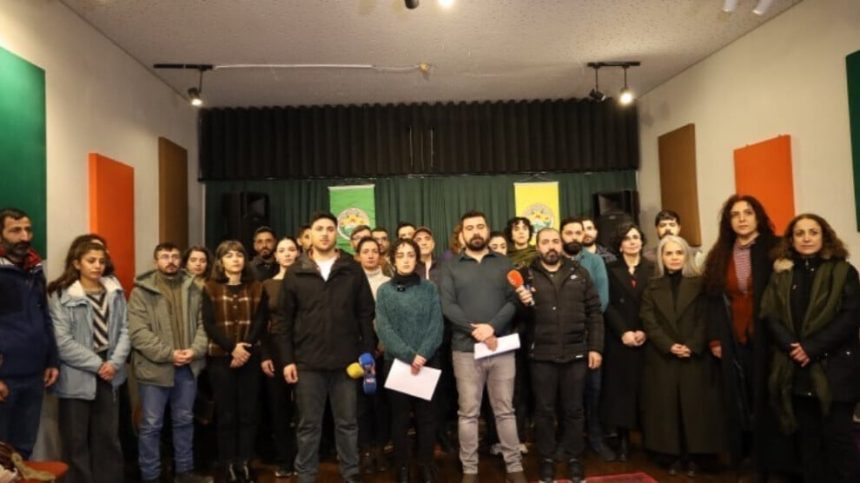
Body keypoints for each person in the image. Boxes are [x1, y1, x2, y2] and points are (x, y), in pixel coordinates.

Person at [274, 212, 375, 483]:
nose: (325, 234)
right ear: (310, 234)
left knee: (348, 423)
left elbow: (366, 313)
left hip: (347, 362)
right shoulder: (296, 271)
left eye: (330, 229)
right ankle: (306, 474)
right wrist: (287, 360)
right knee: (308, 426)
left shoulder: (352, 269)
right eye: (319, 229)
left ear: (336, 233)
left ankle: (351, 473)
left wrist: (367, 353)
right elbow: (283, 321)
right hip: (307, 363)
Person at [760, 213, 859, 482]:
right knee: (808, 442)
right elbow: (770, 315)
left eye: (813, 232)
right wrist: (793, 347)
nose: (806, 238)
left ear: (824, 236)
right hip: (797, 370)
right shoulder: (782, 274)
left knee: (839, 441)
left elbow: (850, 317)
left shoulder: (844, 271)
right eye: (799, 233)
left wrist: (811, 348)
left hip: (835, 370)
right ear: (791, 239)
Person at [700, 195, 790, 476]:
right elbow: (712, 301)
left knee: (770, 399)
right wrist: (715, 339)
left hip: (770, 338)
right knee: (741, 400)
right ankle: (748, 461)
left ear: (758, 216)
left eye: (747, 213)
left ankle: (774, 464)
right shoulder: (721, 253)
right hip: (734, 338)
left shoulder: (776, 248)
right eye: (735, 214)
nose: (741, 219)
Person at [439, 210, 526, 483]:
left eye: (480, 226)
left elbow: (514, 300)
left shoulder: (504, 262)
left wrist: (492, 327)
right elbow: (447, 305)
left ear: (487, 230)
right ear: (462, 233)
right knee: (468, 413)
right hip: (465, 350)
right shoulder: (450, 266)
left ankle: (514, 466)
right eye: (470, 228)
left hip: (501, 347)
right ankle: (470, 470)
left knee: (505, 411)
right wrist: (475, 330)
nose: (475, 231)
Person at [514, 228, 604, 483]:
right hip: (541, 355)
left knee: (574, 410)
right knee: (544, 411)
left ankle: (575, 459)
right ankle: (547, 460)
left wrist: (595, 347)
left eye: (555, 241)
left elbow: (595, 312)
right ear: (537, 246)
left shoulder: (580, 272)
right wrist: (522, 303)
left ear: (562, 244)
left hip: (576, 353)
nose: (551, 246)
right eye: (545, 242)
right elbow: (517, 318)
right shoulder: (525, 275)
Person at [639, 235, 724, 476]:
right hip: (663, 356)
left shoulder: (700, 284)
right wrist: (668, 345)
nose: (674, 258)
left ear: (686, 256)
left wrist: (692, 344)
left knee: (696, 408)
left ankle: (698, 456)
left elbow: (706, 317)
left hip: (695, 355)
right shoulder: (652, 286)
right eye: (669, 253)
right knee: (667, 408)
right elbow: (648, 319)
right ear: (661, 257)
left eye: (679, 253)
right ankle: (672, 455)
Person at [127, 242, 211, 483]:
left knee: (184, 421)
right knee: (151, 425)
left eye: (174, 256)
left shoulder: (194, 288)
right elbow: (138, 333)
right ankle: (150, 475)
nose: (171, 260)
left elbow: (204, 324)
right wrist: (168, 354)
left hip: (187, 367)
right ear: (156, 262)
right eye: (165, 256)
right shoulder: (141, 292)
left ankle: (184, 472)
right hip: (155, 369)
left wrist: (195, 350)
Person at [47, 240, 129, 483]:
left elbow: (126, 329)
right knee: (75, 439)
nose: (97, 266)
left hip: (111, 368)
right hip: (78, 371)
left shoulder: (114, 291)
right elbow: (62, 342)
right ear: (76, 263)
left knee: (108, 436)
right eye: (91, 261)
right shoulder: (61, 294)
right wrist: (97, 364)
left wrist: (114, 363)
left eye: (101, 261)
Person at [376, 238, 444, 483]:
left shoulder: (429, 288)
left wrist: (422, 354)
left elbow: (436, 324)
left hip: (427, 362)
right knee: (400, 419)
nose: (406, 259)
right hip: (397, 364)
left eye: (410, 255)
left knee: (427, 418)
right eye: (401, 255)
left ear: (417, 259)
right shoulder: (384, 291)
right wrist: (409, 356)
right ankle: (402, 467)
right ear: (393, 260)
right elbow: (384, 328)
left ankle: (426, 465)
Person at [201, 240, 268, 483]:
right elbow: (209, 324)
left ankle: (245, 461)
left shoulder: (257, 287)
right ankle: (227, 462)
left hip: (249, 357)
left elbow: (261, 321)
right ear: (220, 261)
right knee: (226, 414)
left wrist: (244, 348)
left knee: (248, 414)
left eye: (239, 255)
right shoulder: (209, 288)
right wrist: (232, 349)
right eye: (229, 255)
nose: (235, 259)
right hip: (221, 359)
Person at [0, 208, 59, 458]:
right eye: (15, 230)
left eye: (28, 230)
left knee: (23, 449)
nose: (25, 237)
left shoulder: (34, 270)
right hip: (5, 378)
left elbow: (45, 316)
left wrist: (52, 360)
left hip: (35, 375)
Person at [558, 217, 613, 461]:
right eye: (568, 232)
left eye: (577, 232)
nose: (573, 237)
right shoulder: (554, 261)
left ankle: (595, 438)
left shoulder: (595, 261)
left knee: (593, 391)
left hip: (589, 336)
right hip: (561, 341)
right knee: (565, 394)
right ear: (561, 236)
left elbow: (601, 301)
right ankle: (567, 440)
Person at [599, 223, 653, 462]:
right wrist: (623, 331)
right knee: (620, 391)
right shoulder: (609, 269)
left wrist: (644, 330)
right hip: (619, 338)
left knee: (647, 390)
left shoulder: (653, 268)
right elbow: (606, 303)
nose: (632, 242)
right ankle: (622, 440)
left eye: (636, 237)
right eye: (627, 239)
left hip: (646, 336)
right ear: (619, 245)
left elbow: (656, 304)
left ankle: (650, 439)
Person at [260, 237, 301, 478]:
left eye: (291, 249)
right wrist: (265, 354)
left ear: (298, 254)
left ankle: (305, 457)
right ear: (275, 256)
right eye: (282, 250)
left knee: (305, 407)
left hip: (304, 348)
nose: (287, 254)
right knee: (279, 406)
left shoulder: (307, 282)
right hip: (275, 348)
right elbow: (261, 323)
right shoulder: (266, 285)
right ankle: (285, 459)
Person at [355, 236, 391, 474]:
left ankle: (381, 448)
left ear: (380, 255)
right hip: (359, 352)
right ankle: (365, 450)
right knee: (362, 403)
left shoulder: (389, 283)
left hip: (384, 350)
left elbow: (392, 318)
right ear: (357, 256)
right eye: (365, 251)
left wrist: (383, 344)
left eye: (374, 251)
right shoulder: (351, 282)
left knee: (382, 403)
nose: (370, 255)